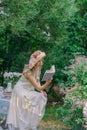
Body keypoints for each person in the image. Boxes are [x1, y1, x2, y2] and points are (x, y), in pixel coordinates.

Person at [6, 50, 52, 130]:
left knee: (41, 96)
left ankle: (29, 124)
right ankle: (24, 125)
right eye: (39, 61)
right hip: (21, 91)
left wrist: (42, 91)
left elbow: (37, 82)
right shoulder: (28, 72)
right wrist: (47, 83)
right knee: (34, 101)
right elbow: (38, 87)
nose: (41, 63)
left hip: (28, 90)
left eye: (42, 61)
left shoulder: (37, 69)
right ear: (35, 62)